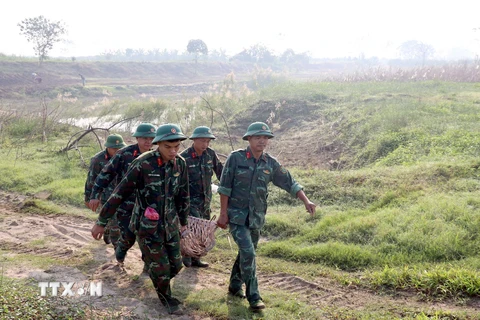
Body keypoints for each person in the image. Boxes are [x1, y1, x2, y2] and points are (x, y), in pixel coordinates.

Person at [91, 123, 190, 315]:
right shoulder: (143, 163)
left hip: (170, 225)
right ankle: (166, 298)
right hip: (147, 226)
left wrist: (184, 222)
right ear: (158, 144)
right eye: (168, 147)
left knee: (177, 265)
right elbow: (119, 193)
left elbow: (183, 195)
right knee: (161, 269)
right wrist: (101, 222)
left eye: (177, 146)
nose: (173, 151)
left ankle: (154, 270)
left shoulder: (180, 164)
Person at [216, 122, 316, 311]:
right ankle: (254, 297)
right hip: (236, 216)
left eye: (265, 137)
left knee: (246, 253)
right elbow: (224, 188)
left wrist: (306, 200)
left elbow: (290, 183)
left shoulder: (270, 163)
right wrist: (223, 214)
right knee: (249, 253)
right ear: (249, 139)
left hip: (256, 218)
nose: (262, 141)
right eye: (257, 137)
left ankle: (234, 286)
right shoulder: (235, 158)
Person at [89, 123, 156, 268]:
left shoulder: (156, 156)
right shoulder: (124, 154)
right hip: (126, 204)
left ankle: (148, 266)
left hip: (147, 206)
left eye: (151, 138)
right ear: (137, 138)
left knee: (148, 236)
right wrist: (94, 194)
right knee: (126, 236)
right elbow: (105, 175)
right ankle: (120, 253)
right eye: (144, 138)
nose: (148, 142)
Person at [180, 126, 223, 268]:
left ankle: (196, 257)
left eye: (207, 141)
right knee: (192, 229)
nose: (205, 145)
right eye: (202, 141)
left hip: (205, 201)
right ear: (194, 140)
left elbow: (221, 172)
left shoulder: (210, 154)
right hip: (189, 201)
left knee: (204, 230)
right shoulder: (184, 157)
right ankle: (186, 255)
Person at [84, 133, 126, 248]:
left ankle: (108, 230)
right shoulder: (98, 159)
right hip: (106, 196)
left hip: (122, 195)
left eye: (119, 148)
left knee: (119, 220)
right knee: (114, 222)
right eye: (114, 148)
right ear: (107, 147)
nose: (117, 151)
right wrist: (89, 197)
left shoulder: (125, 157)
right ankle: (117, 248)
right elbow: (91, 179)